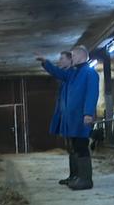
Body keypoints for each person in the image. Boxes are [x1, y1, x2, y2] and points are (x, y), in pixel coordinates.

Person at [35, 45, 99, 190]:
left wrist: (88, 113)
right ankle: (76, 176)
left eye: (74, 56)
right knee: (74, 147)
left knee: (81, 147)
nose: (72, 58)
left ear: (81, 56)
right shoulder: (73, 74)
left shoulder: (90, 73)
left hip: (81, 117)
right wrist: (45, 62)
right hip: (72, 118)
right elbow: (58, 72)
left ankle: (86, 180)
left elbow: (92, 94)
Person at [48, 51, 74, 184]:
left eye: (62, 59)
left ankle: (78, 177)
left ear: (70, 60)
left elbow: (56, 72)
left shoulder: (72, 74)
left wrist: (45, 62)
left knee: (75, 148)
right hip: (66, 117)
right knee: (70, 147)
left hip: (72, 117)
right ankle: (73, 176)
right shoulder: (66, 78)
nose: (60, 61)